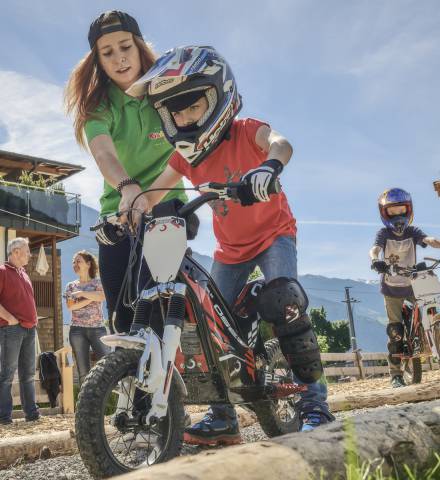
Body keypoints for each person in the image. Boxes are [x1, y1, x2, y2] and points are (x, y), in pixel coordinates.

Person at [135, 45, 334, 444]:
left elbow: (281, 143)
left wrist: (269, 165)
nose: (185, 117)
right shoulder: (185, 157)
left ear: (219, 97)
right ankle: (222, 418)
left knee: (286, 306)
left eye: (193, 106)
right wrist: (125, 212)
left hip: (274, 235)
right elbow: (152, 192)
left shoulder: (245, 130)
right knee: (205, 327)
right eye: (176, 112)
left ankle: (315, 406)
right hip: (230, 250)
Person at [64, 10, 187, 334]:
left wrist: (149, 198)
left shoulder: (168, 91)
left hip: (167, 205)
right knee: (121, 318)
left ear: (139, 46)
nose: (119, 58)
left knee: (155, 307)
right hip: (119, 210)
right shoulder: (98, 106)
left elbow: (189, 147)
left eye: (125, 47)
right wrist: (128, 187)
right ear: (98, 61)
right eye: (107, 52)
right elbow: (103, 153)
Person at [370, 188, 440, 388]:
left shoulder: (412, 232)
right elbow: (375, 249)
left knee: (431, 307)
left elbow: (427, 239)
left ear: (408, 210)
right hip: (391, 288)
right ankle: (396, 375)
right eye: (392, 211)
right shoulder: (384, 233)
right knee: (396, 331)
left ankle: (426, 338)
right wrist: (375, 259)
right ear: (384, 213)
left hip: (412, 285)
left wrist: (437, 242)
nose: (398, 215)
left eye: (401, 210)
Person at [0, 238, 40, 424]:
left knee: (28, 374)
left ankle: (32, 414)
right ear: (16, 252)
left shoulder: (23, 273)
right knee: (7, 374)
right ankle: (4, 417)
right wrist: (10, 319)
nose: (29, 255)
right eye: (27, 251)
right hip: (12, 330)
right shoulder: (2, 271)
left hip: (30, 329)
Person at [65, 251, 109, 385]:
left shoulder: (98, 282)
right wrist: (91, 297)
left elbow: (102, 296)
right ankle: (85, 397)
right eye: (74, 262)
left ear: (88, 264)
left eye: (78, 261)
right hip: (77, 331)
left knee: (106, 366)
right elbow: (71, 306)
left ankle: (105, 394)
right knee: (83, 371)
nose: (75, 264)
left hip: (98, 329)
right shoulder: (71, 286)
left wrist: (81, 293)